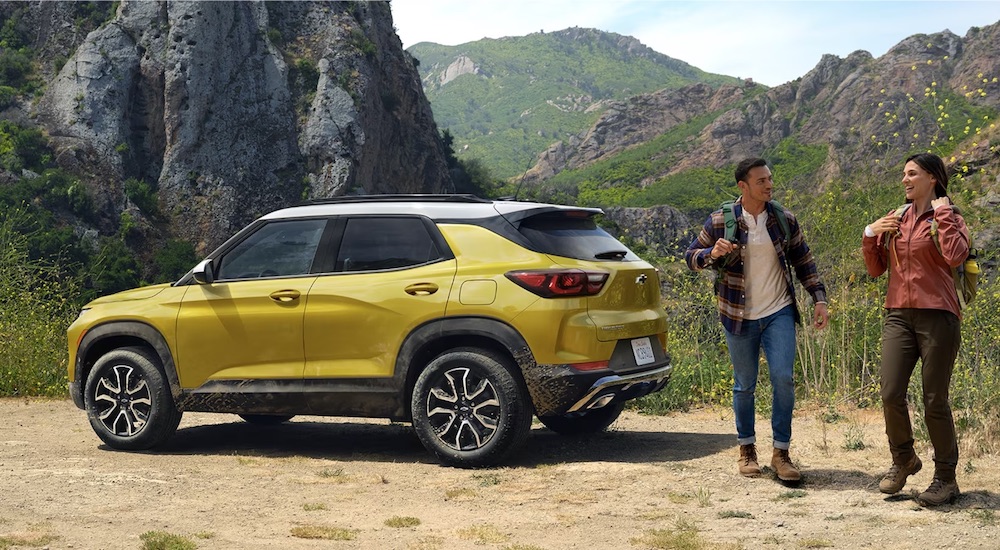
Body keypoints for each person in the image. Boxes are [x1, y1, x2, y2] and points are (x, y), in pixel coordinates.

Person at [685, 157, 829, 483]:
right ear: (743, 186)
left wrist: (818, 299)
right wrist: (712, 254)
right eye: (761, 181)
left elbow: (804, 261)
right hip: (738, 314)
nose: (769, 185)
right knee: (744, 384)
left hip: (778, 311)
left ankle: (781, 453)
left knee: (783, 378)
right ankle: (747, 449)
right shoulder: (720, 221)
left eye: (770, 179)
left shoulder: (783, 219)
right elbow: (690, 257)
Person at [862, 152, 969, 506]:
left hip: (938, 314)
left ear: (932, 178)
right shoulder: (897, 217)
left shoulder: (949, 216)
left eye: (912, 174)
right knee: (891, 392)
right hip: (898, 314)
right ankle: (904, 459)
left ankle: (946, 479)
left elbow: (955, 256)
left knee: (934, 399)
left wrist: (943, 214)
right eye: (904, 174)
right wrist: (870, 234)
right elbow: (876, 269)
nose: (905, 180)